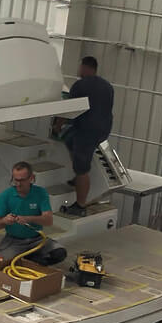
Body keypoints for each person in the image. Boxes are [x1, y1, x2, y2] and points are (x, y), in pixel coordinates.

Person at [65, 56, 115, 213]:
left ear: (85, 68)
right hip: (102, 131)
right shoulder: (108, 86)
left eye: (80, 67)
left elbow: (69, 109)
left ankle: (80, 205)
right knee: (69, 140)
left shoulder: (80, 85)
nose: (78, 70)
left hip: (86, 132)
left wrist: (58, 124)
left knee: (82, 168)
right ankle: (78, 175)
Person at [0, 162, 65, 265]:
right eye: (15, 180)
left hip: (36, 239)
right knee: (1, 263)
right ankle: (27, 260)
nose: (18, 184)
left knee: (59, 253)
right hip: (14, 241)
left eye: (22, 180)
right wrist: (5, 220)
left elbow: (48, 220)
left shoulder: (40, 193)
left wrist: (28, 219)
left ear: (31, 178)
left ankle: (32, 262)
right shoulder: (6, 195)